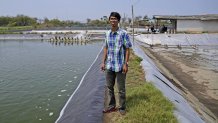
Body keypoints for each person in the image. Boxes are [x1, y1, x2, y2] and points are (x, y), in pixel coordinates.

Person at [101, 12, 132, 115]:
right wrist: (103, 62)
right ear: (109, 20)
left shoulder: (123, 33)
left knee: (121, 88)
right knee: (109, 87)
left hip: (120, 65)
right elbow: (106, 48)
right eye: (111, 19)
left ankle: (122, 107)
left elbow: (127, 49)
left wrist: (125, 64)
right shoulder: (107, 34)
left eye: (115, 19)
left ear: (118, 21)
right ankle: (111, 106)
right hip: (109, 65)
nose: (113, 21)